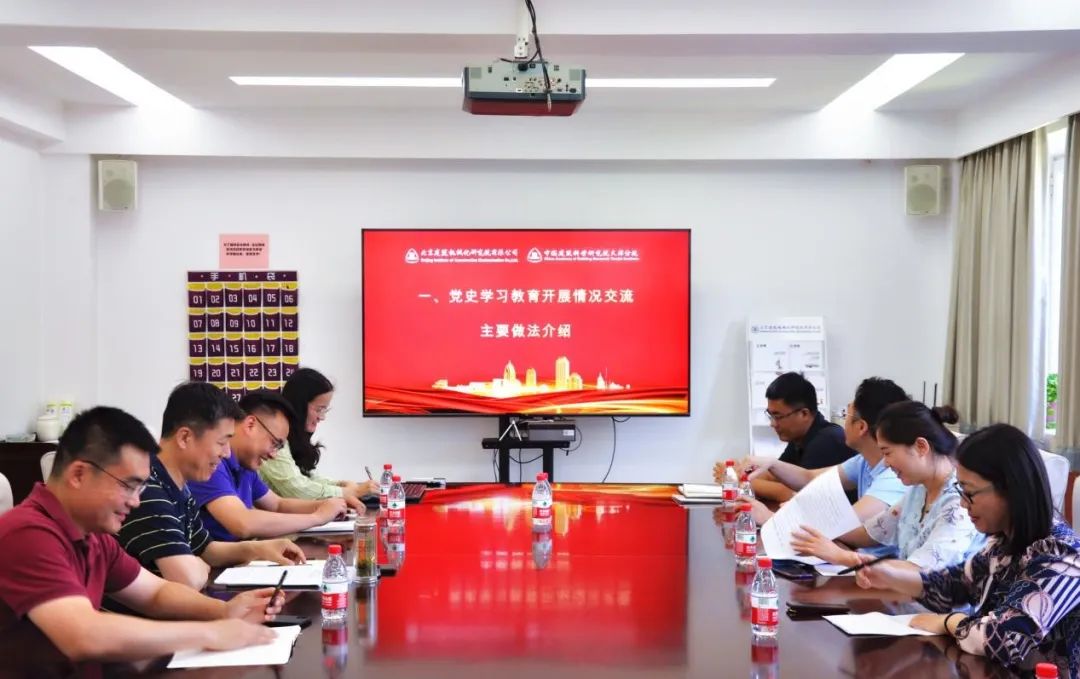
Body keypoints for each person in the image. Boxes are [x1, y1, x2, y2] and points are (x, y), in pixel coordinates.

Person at [0, 407, 283, 660]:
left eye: (141, 488)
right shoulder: (26, 534)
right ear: (78, 475)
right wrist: (208, 633)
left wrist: (225, 611)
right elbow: (83, 635)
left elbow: (155, 593)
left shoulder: (94, 536)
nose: (136, 501)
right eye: (128, 485)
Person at [854, 424, 1080, 677]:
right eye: (961, 491)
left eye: (970, 493)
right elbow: (955, 584)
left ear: (1010, 488)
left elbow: (1005, 639)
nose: (963, 503)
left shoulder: (1061, 554)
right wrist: (889, 574)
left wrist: (947, 622)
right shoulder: (1003, 541)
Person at [117, 382, 307, 591]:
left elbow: (207, 549)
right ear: (185, 437)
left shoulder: (180, 486)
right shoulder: (147, 489)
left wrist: (260, 548)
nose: (226, 453)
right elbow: (188, 579)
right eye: (222, 442)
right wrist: (198, 564)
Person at [790, 400, 982, 570]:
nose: (886, 464)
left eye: (887, 453)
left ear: (921, 447)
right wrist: (809, 529)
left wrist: (843, 557)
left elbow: (919, 573)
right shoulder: (919, 490)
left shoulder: (959, 501)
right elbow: (869, 533)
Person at [737, 377, 909, 556]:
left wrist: (772, 519)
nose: (843, 422)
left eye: (847, 416)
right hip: (854, 555)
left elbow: (844, 526)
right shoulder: (864, 461)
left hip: (874, 564)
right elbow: (809, 478)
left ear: (861, 427)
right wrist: (771, 463)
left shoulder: (893, 476)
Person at [189, 389, 347, 541]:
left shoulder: (246, 466)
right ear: (250, 425)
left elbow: (277, 504)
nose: (273, 454)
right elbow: (242, 523)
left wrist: (326, 505)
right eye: (275, 443)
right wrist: (317, 517)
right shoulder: (213, 463)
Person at [717, 372, 855, 501]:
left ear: (804, 414)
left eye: (778, 417)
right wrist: (739, 472)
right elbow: (774, 476)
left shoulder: (827, 440)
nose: (772, 424)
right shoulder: (799, 437)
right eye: (771, 416)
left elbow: (794, 494)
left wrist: (738, 482)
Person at [258, 367, 378, 510]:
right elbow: (297, 489)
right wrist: (348, 492)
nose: (322, 417)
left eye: (325, 410)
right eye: (319, 409)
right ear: (300, 405)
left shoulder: (293, 438)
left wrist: (341, 485)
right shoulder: (274, 439)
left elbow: (306, 477)